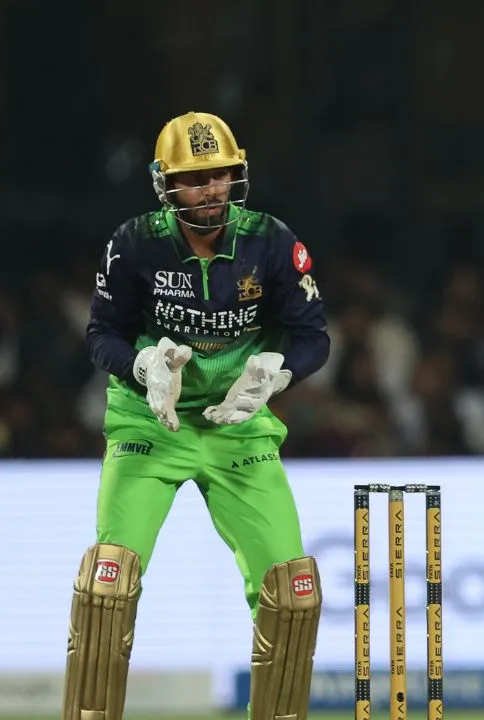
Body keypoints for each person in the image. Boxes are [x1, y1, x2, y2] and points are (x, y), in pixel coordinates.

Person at [63, 111, 331, 720]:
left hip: (239, 427)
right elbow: (101, 335)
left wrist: (279, 373)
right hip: (150, 424)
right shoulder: (135, 243)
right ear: (165, 184)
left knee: (292, 595)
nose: (210, 190)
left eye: (220, 175)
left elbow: (314, 337)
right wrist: (142, 367)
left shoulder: (270, 240)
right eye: (194, 179)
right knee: (107, 586)